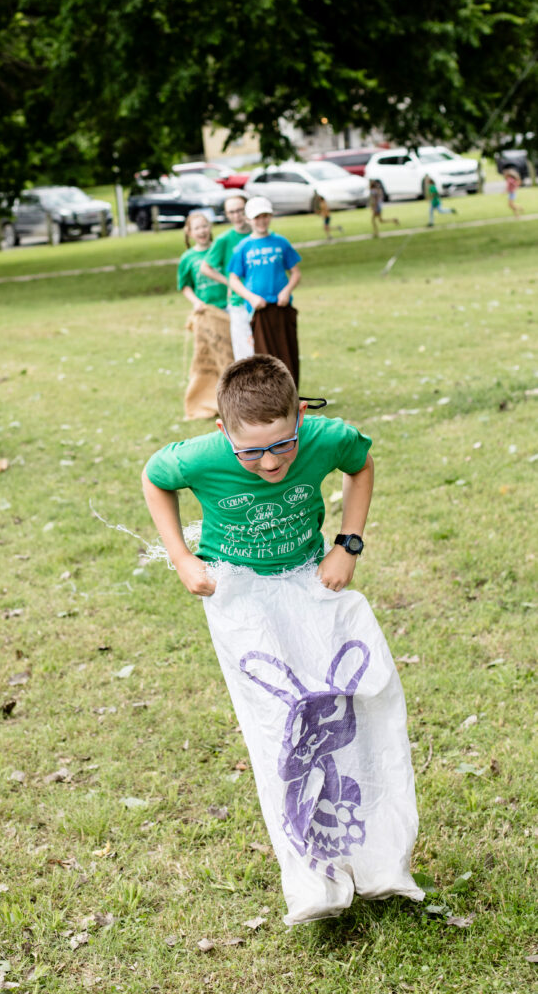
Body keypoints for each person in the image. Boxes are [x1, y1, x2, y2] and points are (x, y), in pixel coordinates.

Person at [141, 355, 423, 923]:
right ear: (224, 432)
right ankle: (312, 878)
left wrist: (349, 542)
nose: (269, 462)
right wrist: (181, 559)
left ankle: (377, 858)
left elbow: (360, 463)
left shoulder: (323, 438)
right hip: (240, 595)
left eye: (282, 445)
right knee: (281, 728)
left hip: (308, 579)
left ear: (299, 416)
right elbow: (153, 479)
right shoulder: (199, 456)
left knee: (355, 702)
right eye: (251, 451)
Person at [228, 197, 302, 385]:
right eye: (257, 217)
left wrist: (286, 291)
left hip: (281, 305)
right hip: (258, 309)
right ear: (248, 219)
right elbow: (234, 280)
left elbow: (295, 273)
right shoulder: (243, 247)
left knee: (287, 352)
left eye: (265, 216)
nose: (262, 221)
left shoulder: (280, 242)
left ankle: (292, 396)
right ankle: (269, 399)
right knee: (264, 358)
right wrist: (251, 297)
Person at [177, 213, 233, 419]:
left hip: (228, 310)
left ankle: (235, 398)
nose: (201, 231)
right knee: (211, 358)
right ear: (189, 232)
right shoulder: (188, 258)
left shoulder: (219, 249)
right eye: (196, 228)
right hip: (208, 315)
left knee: (231, 356)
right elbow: (185, 286)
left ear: (210, 227)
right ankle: (210, 399)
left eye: (204, 226)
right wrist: (196, 302)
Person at [198, 193, 253, 359]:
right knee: (245, 355)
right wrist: (230, 283)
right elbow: (206, 267)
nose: (237, 216)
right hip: (239, 302)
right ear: (227, 215)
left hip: (263, 299)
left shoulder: (259, 233)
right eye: (232, 212)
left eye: (240, 210)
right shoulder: (224, 240)